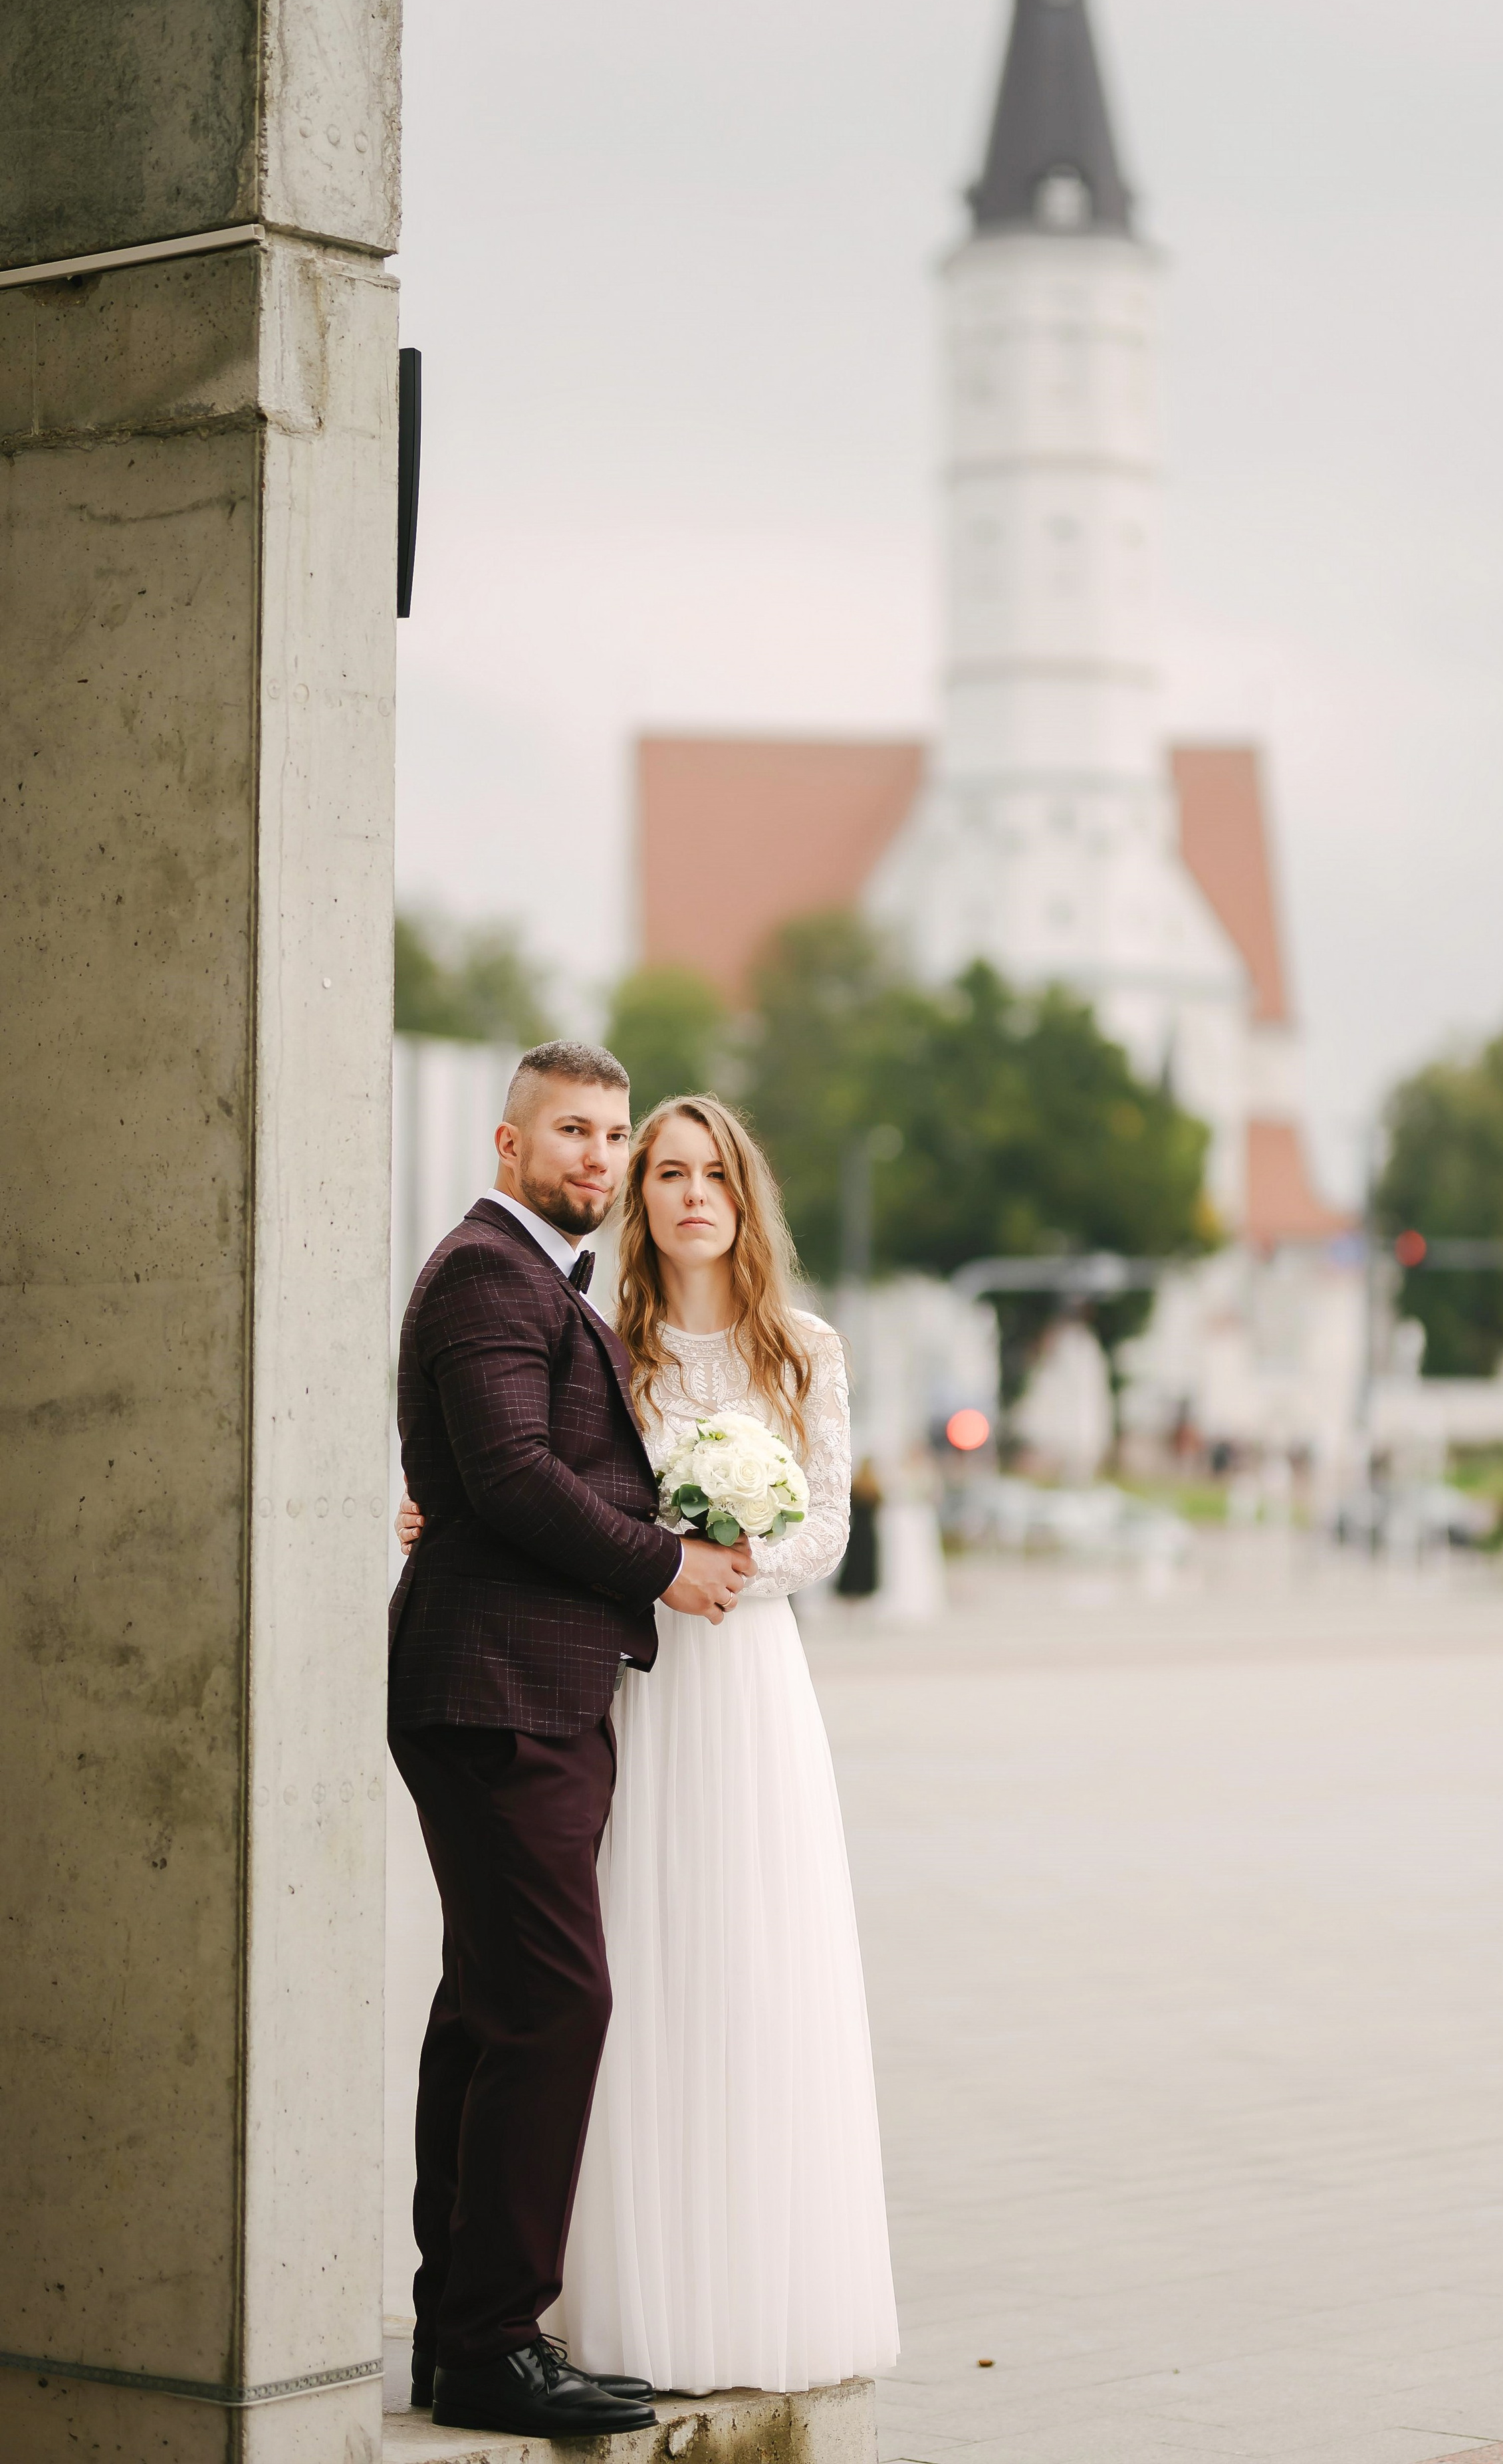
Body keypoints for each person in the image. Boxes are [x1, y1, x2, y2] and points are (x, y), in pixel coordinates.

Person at [400, 1090, 900, 2396]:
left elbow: (826, 1531)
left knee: (744, 1967)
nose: (685, 1193)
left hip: (741, 1679)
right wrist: (447, 1513)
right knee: (589, 1983)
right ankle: (578, 2299)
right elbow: (533, 1478)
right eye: (662, 1170)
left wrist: (720, 1563)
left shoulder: (803, 1347)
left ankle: (738, 2282)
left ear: (743, 1198)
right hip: (618, 1680)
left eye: (709, 1173)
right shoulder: (603, 1338)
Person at [388, 1040, 754, 2441]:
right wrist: (661, 1564)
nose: (598, 1158)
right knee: (554, 2004)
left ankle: (453, 2330)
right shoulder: (491, 1268)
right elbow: (513, 1472)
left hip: (525, 1687)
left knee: (486, 2009)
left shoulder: (545, 1279)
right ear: (506, 1144)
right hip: (495, 1690)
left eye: (614, 1135)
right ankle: (492, 2341)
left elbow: (497, 1474)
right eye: (574, 1135)